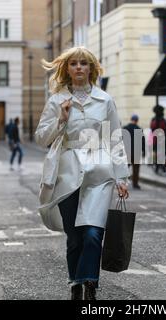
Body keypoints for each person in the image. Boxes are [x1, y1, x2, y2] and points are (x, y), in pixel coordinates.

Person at [36, 46, 130, 300]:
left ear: (91, 68)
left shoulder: (105, 100)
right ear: (67, 69)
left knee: (92, 233)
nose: (79, 67)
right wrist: (61, 120)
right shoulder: (57, 100)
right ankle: (75, 282)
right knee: (75, 237)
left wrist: (121, 177)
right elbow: (41, 138)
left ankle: (89, 281)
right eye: (74, 63)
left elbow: (114, 139)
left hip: (99, 173)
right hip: (66, 173)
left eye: (83, 63)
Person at [123, 114, 144, 189]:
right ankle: (135, 184)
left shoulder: (125, 128)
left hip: (127, 152)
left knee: (125, 168)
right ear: (137, 120)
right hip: (136, 152)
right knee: (136, 169)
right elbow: (142, 142)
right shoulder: (139, 129)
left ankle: (122, 183)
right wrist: (143, 151)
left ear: (131, 119)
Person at [150, 104, 166, 176]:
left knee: (160, 153)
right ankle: (160, 167)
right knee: (160, 153)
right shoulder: (159, 120)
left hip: (159, 139)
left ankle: (160, 167)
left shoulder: (156, 120)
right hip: (159, 139)